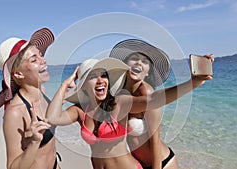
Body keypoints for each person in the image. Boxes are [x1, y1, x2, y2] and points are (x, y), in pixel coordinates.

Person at [47, 52, 213, 169]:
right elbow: (52, 118)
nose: (100, 80)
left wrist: (192, 83)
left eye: (104, 75)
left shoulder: (119, 103)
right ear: (83, 86)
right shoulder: (79, 111)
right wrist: (64, 85)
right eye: (92, 77)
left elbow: (154, 100)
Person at [0, 28, 60, 169]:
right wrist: (35, 142)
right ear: (18, 74)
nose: (43, 60)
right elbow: (12, 166)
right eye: (34, 59)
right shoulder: (15, 113)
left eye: (40, 55)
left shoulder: (42, 93)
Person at [109, 39, 178, 169]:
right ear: (124, 64)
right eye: (134, 58)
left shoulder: (147, 93)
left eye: (145, 62)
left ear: (147, 72)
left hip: (162, 163)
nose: (139, 62)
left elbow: (155, 139)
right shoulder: (119, 93)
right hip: (139, 164)